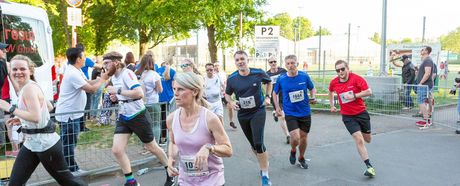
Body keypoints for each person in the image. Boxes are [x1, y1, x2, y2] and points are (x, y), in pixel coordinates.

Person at [0, 55, 86, 185]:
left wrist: (10, 108)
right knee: (15, 183)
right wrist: (22, 118)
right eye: (14, 69)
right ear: (10, 71)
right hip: (31, 143)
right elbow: (49, 106)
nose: (18, 72)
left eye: (22, 69)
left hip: (46, 144)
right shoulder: (28, 86)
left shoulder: (29, 88)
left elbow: (35, 117)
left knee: (68, 182)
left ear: (30, 70)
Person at [103, 51, 174, 186]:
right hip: (124, 116)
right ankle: (131, 181)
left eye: (107, 63)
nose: (104, 66)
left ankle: (171, 172)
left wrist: (117, 92)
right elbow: (123, 94)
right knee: (117, 150)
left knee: (152, 147)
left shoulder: (127, 74)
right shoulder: (115, 76)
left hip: (138, 115)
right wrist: (116, 98)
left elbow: (139, 93)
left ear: (116, 62)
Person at [166, 72, 232, 186]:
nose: (175, 94)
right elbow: (173, 142)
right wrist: (171, 158)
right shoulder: (171, 119)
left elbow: (228, 150)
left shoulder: (210, 118)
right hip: (186, 181)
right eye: (174, 89)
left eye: (181, 89)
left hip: (212, 180)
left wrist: (209, 148)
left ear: (195, 91)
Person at [55, 47, 109, 174]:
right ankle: (70, 169)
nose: (86, 59)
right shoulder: (72, 73)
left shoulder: (75, 70)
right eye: (84, 57)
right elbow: (91, 89)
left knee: (70, 141)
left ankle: (67, 167)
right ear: (78, 59)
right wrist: (102, 79)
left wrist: (101, 78)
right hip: (68, 115)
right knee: (68, 143)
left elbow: (88, 82)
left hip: (73, 114)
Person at [225, 50, 273, 186]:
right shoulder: (232, 78)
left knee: (258, 143)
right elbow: (227, 94)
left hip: (258, 111)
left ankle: (265, 174)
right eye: (237, 60)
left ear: (247, 60)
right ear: (235, 62)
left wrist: (268, 97)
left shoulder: (258, 72)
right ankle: (263, 161)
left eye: (242, 59)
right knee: (253, 145)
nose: (240, 62)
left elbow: (269, 82)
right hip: (243, 114)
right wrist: (231, 102)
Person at [328, 60, 375, 177]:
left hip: (361, 113)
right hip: (348, 116)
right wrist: (332, 105)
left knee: (367, 139)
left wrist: (354, 95)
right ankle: (369, 167)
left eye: (342, 69)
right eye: (337, 70)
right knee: (358, 139)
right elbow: (330, 91)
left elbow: (369, 91)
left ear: (347, 68)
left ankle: (366, 136)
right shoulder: (334, 82)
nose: (340, 72)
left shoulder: (356, 78)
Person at [273, 55, 316, 169]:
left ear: (297, 63)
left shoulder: (304, 76)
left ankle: (301, 157)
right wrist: (277, 107)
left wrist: (313, 97)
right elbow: (274, 92)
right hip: (290, 112)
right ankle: (293, 150)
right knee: (295, 137)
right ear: (285, 65)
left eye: (292, 63)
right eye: (288, 63)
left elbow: (312, 88)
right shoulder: (282, 78)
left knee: (304, 137)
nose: (290, 65)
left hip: (305, 112)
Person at [136, 54, 163, 144]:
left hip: (143, 102)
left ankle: (146, 145)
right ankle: (155, 145)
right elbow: (160, 90)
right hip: (154, 102)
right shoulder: (154, 75)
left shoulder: (140, 74)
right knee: (155, 124)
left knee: (146, 124)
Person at [266, 56, 290, 144]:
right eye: (271, 62)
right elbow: (266, 86)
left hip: (285, 95)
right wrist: (267, 96)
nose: (273, 63)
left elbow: (289, 79)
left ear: (277, 62)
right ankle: (288, 135)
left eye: (274, 61)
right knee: (282, 116)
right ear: (269, 63)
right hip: (275, 97)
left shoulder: (283, 71)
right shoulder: (267, 74)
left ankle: (274, 113)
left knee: (286, 114)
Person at [76, 43, 99, 132]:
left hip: (83, 83)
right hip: (84, 85)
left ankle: (81, 126)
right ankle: (82, 126)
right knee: (85, 105)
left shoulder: (70, 62)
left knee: (82, 106)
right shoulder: (85, 60)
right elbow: (97, 66)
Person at [415, 46, 435, 127]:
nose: (421, 50)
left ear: (427, 51)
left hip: (424, 85)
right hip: (425, 85)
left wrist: (421, 83)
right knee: (427, 101)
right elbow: (424, 73)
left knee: (421, 102)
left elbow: (427, 73)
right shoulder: (426, 60)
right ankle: (427, 119)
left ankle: (426, 121)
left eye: (422, 49)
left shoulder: (427, 60)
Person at [157, 59, 176, 144]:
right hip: (169, 98)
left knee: (160, 118)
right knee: (166, 117)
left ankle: (162, 137)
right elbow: (174, 86)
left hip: (159, 97)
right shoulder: (173, 71)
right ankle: (164, 137)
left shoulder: (157, 71)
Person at [214, 61, 237, 129]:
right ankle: (216, 123)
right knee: (216, 110)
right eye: (215, 66)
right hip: (217, 95)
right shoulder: (213, 74)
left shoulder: (223, 74)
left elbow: (227, 82)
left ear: (220, 66)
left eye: (218, 65)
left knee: (230, 107)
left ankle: (231, 121)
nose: (217, 67)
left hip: (224, 93)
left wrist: (227, 90)